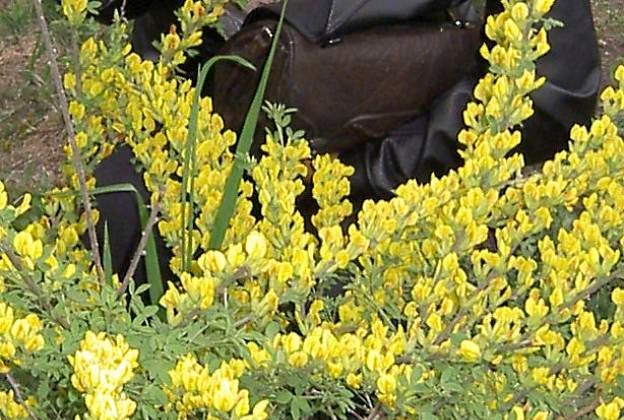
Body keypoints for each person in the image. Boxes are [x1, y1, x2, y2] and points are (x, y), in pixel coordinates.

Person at [90, 0, 601, 281]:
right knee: (117, 211)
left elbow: (556, 97)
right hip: (198, 137)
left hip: (383, 196)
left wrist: (360, 176)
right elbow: (106, 10)